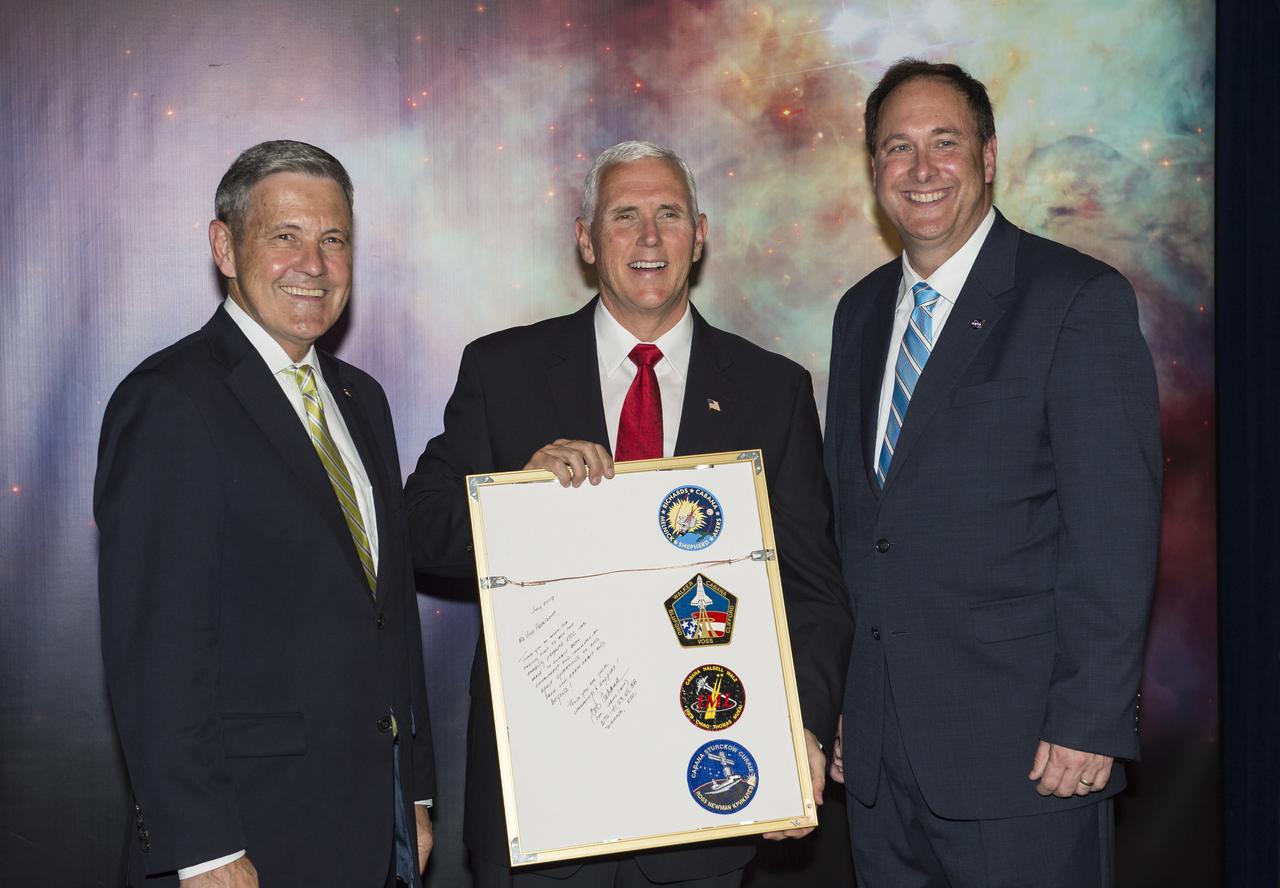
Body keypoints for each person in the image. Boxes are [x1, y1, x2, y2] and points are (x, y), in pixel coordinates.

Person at [404, 140, 854, 888]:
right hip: (542, 811)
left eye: (669, 214)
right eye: (624, 216)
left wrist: (797, 730)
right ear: (585, 238)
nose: (649, 237)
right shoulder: (502, 370)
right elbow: (420, 527)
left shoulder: (773, 391)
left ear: (699, 233)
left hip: (706, 805)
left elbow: (812, 589)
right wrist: (514, 494)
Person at [823, 60, 1162, 886]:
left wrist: (1092, 717)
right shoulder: (859, 312)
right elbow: (861, 530)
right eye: (896, 148)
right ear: (875, 172)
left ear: (988, 155)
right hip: (878, 765)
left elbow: (1115, 530)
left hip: (1029, 755)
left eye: (944, 142)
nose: (921, 168)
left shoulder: (1075, 301)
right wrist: (845, 705)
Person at [96, 140, 436, 887]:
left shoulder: (362, 400)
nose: (312, 264)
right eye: (284, 236)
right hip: (244, 839)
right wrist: (202, 846)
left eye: (333, 239)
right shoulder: (170, 401)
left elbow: (390, 618)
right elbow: (157, 650)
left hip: (369, 829)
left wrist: (410, 788)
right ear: (225, 245)